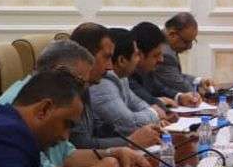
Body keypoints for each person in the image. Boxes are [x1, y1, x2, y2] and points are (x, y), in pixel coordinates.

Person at [0, 40, 151, 167]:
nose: (83, 90)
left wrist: (115, 153)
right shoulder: (21, 106)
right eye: (80, 82)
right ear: (58, 72)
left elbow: (66, 155)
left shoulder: (52, 100)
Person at [68, 22, 162, 150]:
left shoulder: (86, 84)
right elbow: (80, 144)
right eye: (106, 57)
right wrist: (131, 142)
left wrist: (143, 132)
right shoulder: (69, 90)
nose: (110, 67)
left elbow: (98, 129)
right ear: (85, 57)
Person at [90, 28, 172, 136]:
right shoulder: (102, 83)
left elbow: (136, 103)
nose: (138, 59)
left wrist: (153, 119)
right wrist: (155, 114)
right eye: (137, 55)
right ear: (122, 60)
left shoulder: (121, 77)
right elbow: (128, 123)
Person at [130, 21, 200, 107]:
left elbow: (159, 89)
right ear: (139, 55)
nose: (161, 59)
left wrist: (179, 97)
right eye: (156, 55)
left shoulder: (146, 71)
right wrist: (160, 101)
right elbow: (143, 99)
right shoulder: (125, 76)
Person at [154, 12, 213, 95]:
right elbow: (182, 86)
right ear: (172, 34)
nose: (190, 47)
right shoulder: (165, 53)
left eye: (193, 41)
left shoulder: (166, 44)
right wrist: (207, 94)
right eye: (186, 42)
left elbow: (175, 75)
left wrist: (199, 81)